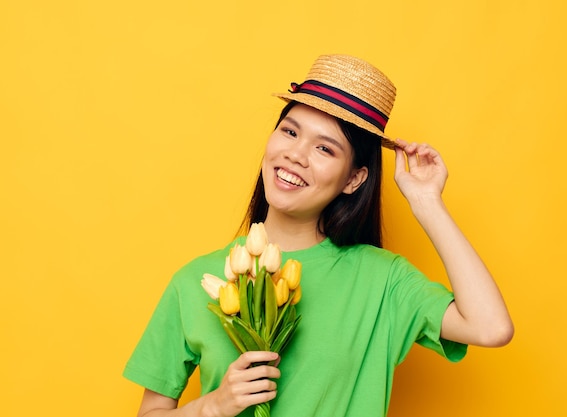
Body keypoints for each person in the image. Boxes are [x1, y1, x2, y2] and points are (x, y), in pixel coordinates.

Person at [123, 54, 514, 417]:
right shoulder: (196, 280)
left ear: (354, 179)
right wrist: (213, 406)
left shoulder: (383, 280)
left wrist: (428, 203)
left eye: (325, 149)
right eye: (289, 131)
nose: (296, 154)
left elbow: (490, 328)